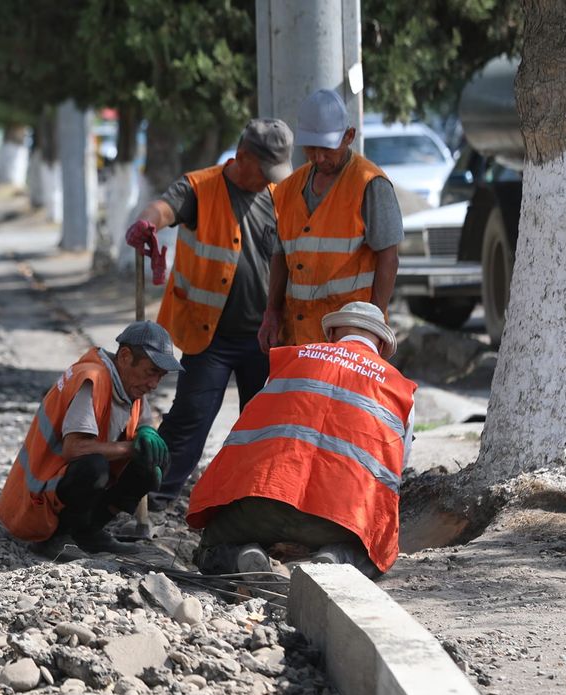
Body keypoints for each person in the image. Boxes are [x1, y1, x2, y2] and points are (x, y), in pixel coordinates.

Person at [125, 119, 294, 512]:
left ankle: (256, 503)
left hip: (266, 336)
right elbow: (165, 206)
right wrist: (147, 222)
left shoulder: (281, 195)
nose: (270, 181)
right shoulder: (200, 188)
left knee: (264, 427)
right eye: (265, 171)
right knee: (190, 420)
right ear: (243, 157)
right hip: (211, 336)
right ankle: (148, 498)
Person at [186, 301, 416, 579]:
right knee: (376, 555)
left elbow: (253, 434)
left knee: (210, 547)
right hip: (340, 518)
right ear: (380, 347)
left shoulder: (288, 360)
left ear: (331, 336)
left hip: (264, 503)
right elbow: (395, 472)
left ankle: (241, 556)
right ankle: (336, 557)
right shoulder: (400, 388)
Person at [0, 321, 181, 560]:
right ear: (125, 356)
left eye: (161, 376)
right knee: (93, 466)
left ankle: (88, 532)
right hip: (33, 502)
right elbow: (75, 449)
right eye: (151, 372)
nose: (154, 384)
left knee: (153, 461)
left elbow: (144, 427)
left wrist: (148, 435)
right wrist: (130, 448)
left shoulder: (130, 385)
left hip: (57, 489)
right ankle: (55, 539)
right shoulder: (92, 379)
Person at [258, 89, 403, 351]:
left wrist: (375, 325)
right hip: (298, 335)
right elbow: (280, 256)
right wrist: (272, 313)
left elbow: (388, 259)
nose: (319, 158)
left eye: (326, 149)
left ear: (349, 137)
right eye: (311, 149)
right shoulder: (288, 189)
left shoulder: (370, 184)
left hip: (350, 336)